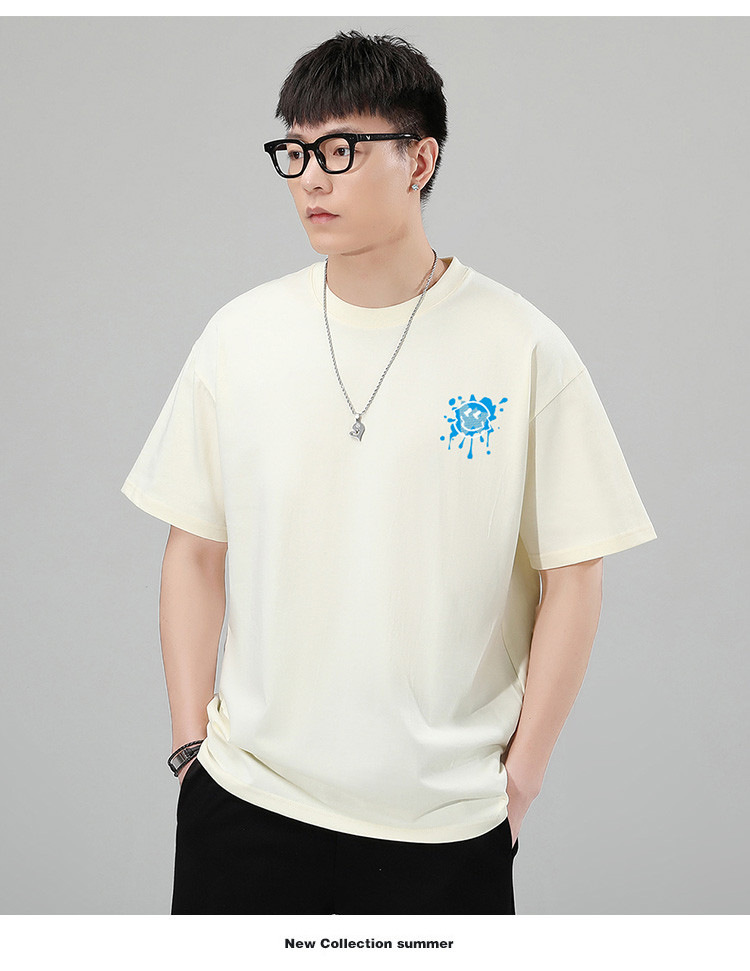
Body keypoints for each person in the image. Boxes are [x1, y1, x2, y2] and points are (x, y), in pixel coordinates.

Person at [121, 30, 657, 916]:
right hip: (246, 807)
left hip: (442, 829)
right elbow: (194, 550)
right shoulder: (239, 337)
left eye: (341, 149)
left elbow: (576, 573)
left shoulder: (522, 347)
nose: (311, 178)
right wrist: (190, 751)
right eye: (295, 151)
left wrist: (519, 781)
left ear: (420, 158)